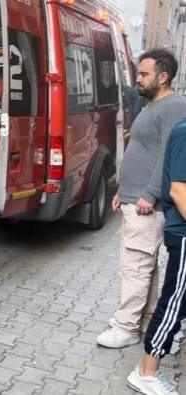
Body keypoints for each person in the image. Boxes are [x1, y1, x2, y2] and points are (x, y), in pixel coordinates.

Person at [97, 48, 186, 349]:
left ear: (163, 77)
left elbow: (167, 155)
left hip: (148, 204)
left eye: (144, 74)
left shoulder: (173, 106)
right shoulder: (152, 105)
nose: (138, 79)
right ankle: (143, 319)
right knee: (144, 265)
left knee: (135, 265)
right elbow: (143, 151)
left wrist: (149, 193)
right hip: (136, 199)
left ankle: (125, 327)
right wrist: (123, 191)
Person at [125, 118, 186, 395]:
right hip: (184, 233)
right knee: (173, 303)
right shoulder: (184, 132)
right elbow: (178, 190)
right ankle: (146, 372)